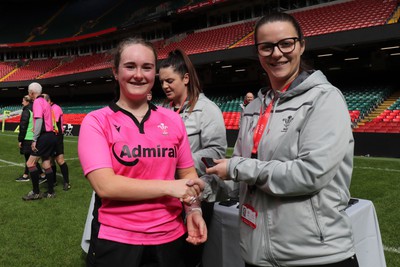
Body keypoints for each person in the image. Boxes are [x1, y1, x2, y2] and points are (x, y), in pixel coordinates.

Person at [206, 12, 359, 267]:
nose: (277, 54)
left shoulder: (324, 99)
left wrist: (235, 166)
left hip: (316, 256)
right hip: (257, 256)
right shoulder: (253, 108)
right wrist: (205, 186)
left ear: (301, 45)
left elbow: (309, 174)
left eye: (286, 43)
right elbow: (243, 178)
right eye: (266, 47)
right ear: (258, 53)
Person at [77, 37, 207, 267]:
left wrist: (194, 209)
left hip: (172, 238)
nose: (139, 74)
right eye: (130, 66)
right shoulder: (96, 121)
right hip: (117, 241)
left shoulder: (173, 120)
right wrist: (169, 186)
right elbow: (106, 186)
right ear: (115, 72)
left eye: (147, 67)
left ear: (154, 73)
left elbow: (187, 176)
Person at [159, 48, 229, 267]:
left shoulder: (207, 110)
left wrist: (178, 163)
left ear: (186, 78)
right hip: (166, 196)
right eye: (161, 82)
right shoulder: (162, 110)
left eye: (169, 80)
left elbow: (216, 152)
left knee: (189, 258)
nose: (164, 86)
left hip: (194, 195)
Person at [22, 82, 57, 200]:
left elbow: (39, 121)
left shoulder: (37, 102)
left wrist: (34, 139)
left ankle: (36, 192)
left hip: (43, 136)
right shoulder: (46, 102)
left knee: (30, 163)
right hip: (51, 135)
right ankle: (51, 192)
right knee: (46, 163)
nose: (28, 94)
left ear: (32, 93)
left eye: (28, 92)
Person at [42, 93, 71, 191]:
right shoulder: (48, 108)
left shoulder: (55, 108)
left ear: (48, 101)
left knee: (59, 160)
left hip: (57, 137)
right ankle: (53, 180)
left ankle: (67, 182)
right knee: (51, 161)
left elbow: (52, 122)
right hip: (49, 137)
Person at [16, 95, 45, 182]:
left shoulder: (26, 110)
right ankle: (32, 175)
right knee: (30, 158)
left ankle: (38, 175)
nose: (22, 103)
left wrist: (20, 139)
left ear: (27, 101)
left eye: (23, 101)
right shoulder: (34, 109)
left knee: (29, 158)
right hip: (33, 136)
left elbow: (23, 126)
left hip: (27, 137)